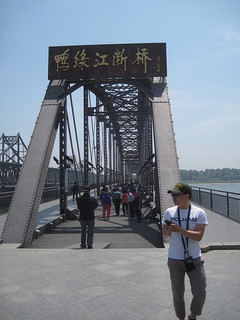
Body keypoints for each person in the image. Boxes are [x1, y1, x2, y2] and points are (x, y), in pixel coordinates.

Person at [162, 183, 208, 320]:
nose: (173, 197)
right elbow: (165, 235)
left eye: (176, 194)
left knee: (200, 292)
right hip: (175, 259)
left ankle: (193, 316)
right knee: (178, 294)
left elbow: (199, 235)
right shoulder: (169, 212)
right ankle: (181, 318)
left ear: (186, 196)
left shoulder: (199, 213)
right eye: (172, 194)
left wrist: (179, 230)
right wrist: (166, 230)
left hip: (194, 258)